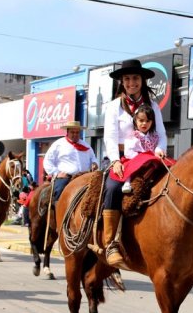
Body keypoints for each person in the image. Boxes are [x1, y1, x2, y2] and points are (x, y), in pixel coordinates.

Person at [102, 59, 167, 267]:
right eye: (127, 79)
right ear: (122, 82)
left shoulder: (153, 106)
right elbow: (110, 137)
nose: (132, 83)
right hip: (124, 157)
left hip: (149, 156)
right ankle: (110, 243)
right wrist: (115, 160)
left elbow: (161, 134)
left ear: (142, 80)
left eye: (135, 78)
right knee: (113, 187)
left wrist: (160, 149)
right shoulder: (114, 107)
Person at [110, 104, 172, 194]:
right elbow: (128, 151)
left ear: (152, 122)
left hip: (151, 161)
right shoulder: (134, 136)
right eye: (141, 120)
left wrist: (159, 151)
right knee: (129, 168)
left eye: (148, 121)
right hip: (136, 159)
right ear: (135, 121)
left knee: (167, 164)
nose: (144, 123)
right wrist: (141, 157)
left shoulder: (154, 136)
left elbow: (158, 147)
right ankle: (127, 183)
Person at [42, 120, 98, 204]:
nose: (75, 134)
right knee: (59, 191)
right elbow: (47, 161)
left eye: (77, 132)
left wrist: (94, 163)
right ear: (67, 132)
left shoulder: (86, 145)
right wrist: (57, 173)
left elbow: (93, 158)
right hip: (66, 177)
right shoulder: (58, 144)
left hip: (84, 176)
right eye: (72, 132)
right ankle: (56, 209)